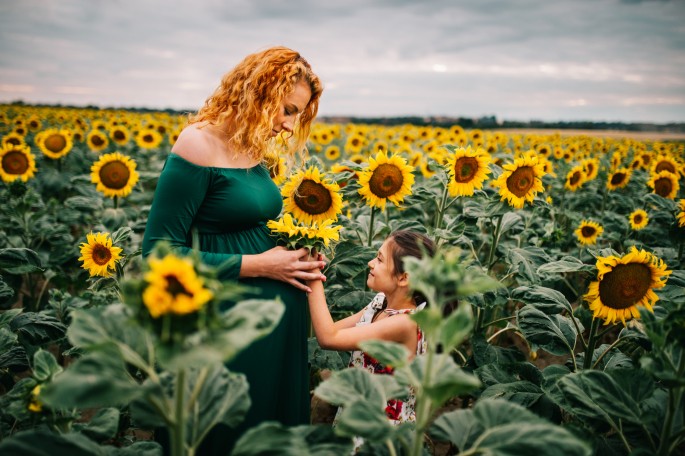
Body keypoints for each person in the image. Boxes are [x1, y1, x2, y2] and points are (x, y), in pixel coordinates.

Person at [141, 46, 325, 454]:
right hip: (224, 323)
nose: (288, 125)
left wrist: (296, 249)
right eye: (287, 109)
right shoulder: (197, 145)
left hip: (274, 323)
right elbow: (156, 255)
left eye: (297, 114)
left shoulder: (252, 146)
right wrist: (258, 266)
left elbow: (251, 223)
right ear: (258, 91)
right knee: (225, 430)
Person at [306, 230, 436, 430]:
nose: (371, 263)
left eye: (380, 259)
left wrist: (313, 275)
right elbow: (332, 330)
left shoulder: (405, 323)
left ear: (403, 278)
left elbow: (328, 338)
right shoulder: (380, 303)